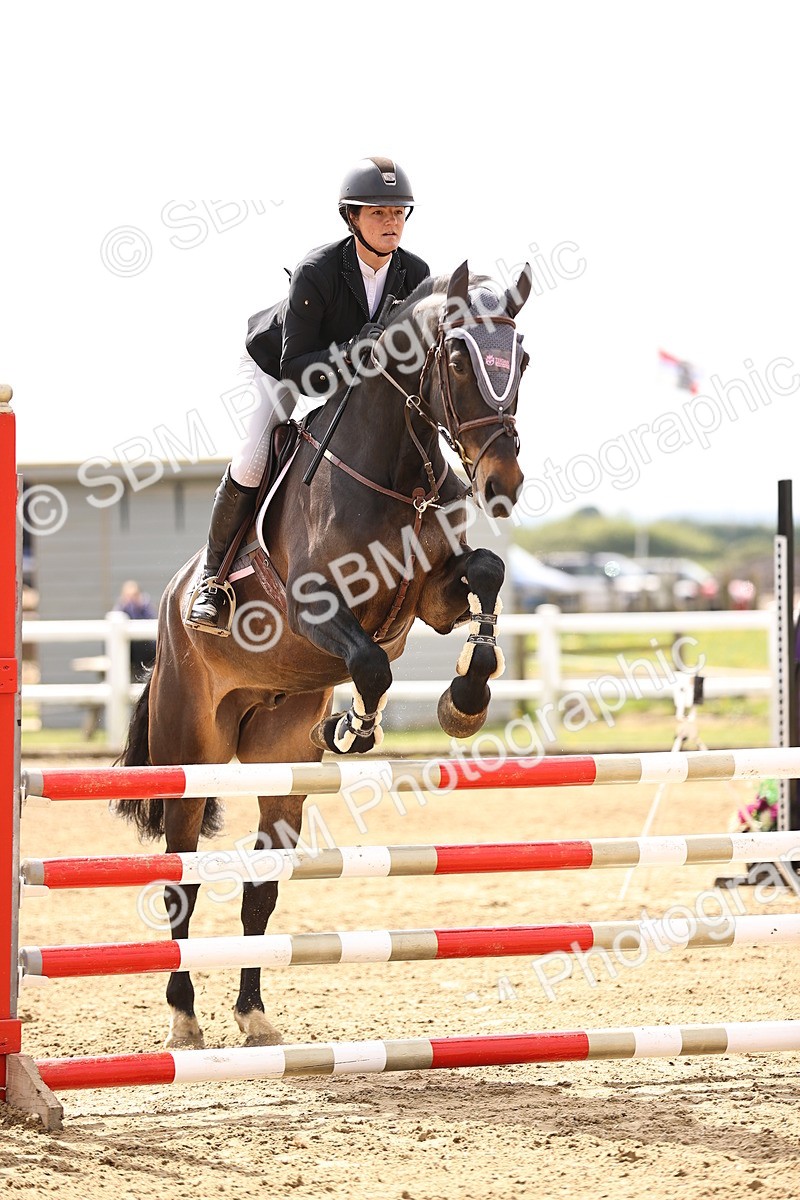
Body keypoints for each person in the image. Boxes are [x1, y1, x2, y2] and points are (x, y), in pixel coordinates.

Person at [187, 156, 430, 634]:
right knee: (254, 458)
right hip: (280, 367)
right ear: (351, 217)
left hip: (357, 377)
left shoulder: (415, 272)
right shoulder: (316, 271)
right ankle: (211, 581)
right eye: (378, 212)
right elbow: (296, 368)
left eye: (398, 212)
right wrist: (354, 351)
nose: (391, 222)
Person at [114, 580, 157, 679]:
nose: (131, 599)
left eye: (134, 595)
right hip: (128, 654)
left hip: (146, 653)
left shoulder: (146, 609)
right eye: (128, 596)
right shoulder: (120, 610)